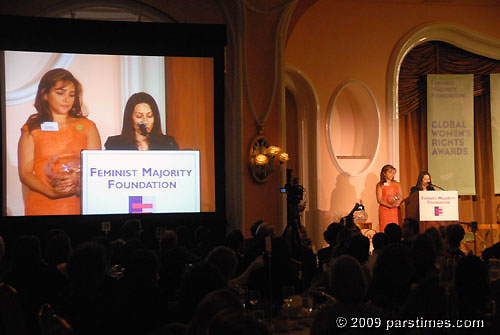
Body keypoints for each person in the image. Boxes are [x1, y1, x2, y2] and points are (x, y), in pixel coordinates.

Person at [18, 68, 101, 215]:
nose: (67, 99)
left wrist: (78, 181)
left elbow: (95, 169)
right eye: (60, 93)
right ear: (45, 94)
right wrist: (50, 192)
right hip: (41, 205)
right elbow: (25, 173)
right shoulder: (32, 128)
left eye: (71, 95)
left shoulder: (88, 127)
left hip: (80, 205)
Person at [104, 92, 178, 150]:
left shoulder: (168, 144)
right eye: (139, 116)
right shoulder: (115, 144)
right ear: (130, 118)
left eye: (150, 116)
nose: (145, 121)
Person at [376, 164, 402, 232]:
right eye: (390, 172)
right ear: (384, 173)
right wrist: (389, 205)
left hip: (395, 210)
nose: (392, 174)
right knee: (384, 228)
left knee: (395, 228)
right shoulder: (380, 185)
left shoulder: (397, 184)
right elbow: (379, 199)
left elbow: (401, 196)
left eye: (393, 173)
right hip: (385, 210)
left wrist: (396, 203)